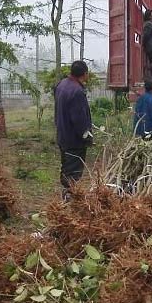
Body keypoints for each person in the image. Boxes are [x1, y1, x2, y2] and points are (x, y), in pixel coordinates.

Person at [54, 61, 93, 200]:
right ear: (85, 74)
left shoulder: (61, 85)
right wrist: (86, 136)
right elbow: (79, 119)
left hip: (62, 134)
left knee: (66, 166)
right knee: (73, 170)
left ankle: (66, 195)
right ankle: (69, 198)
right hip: (73, 139)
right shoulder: (77, 91)